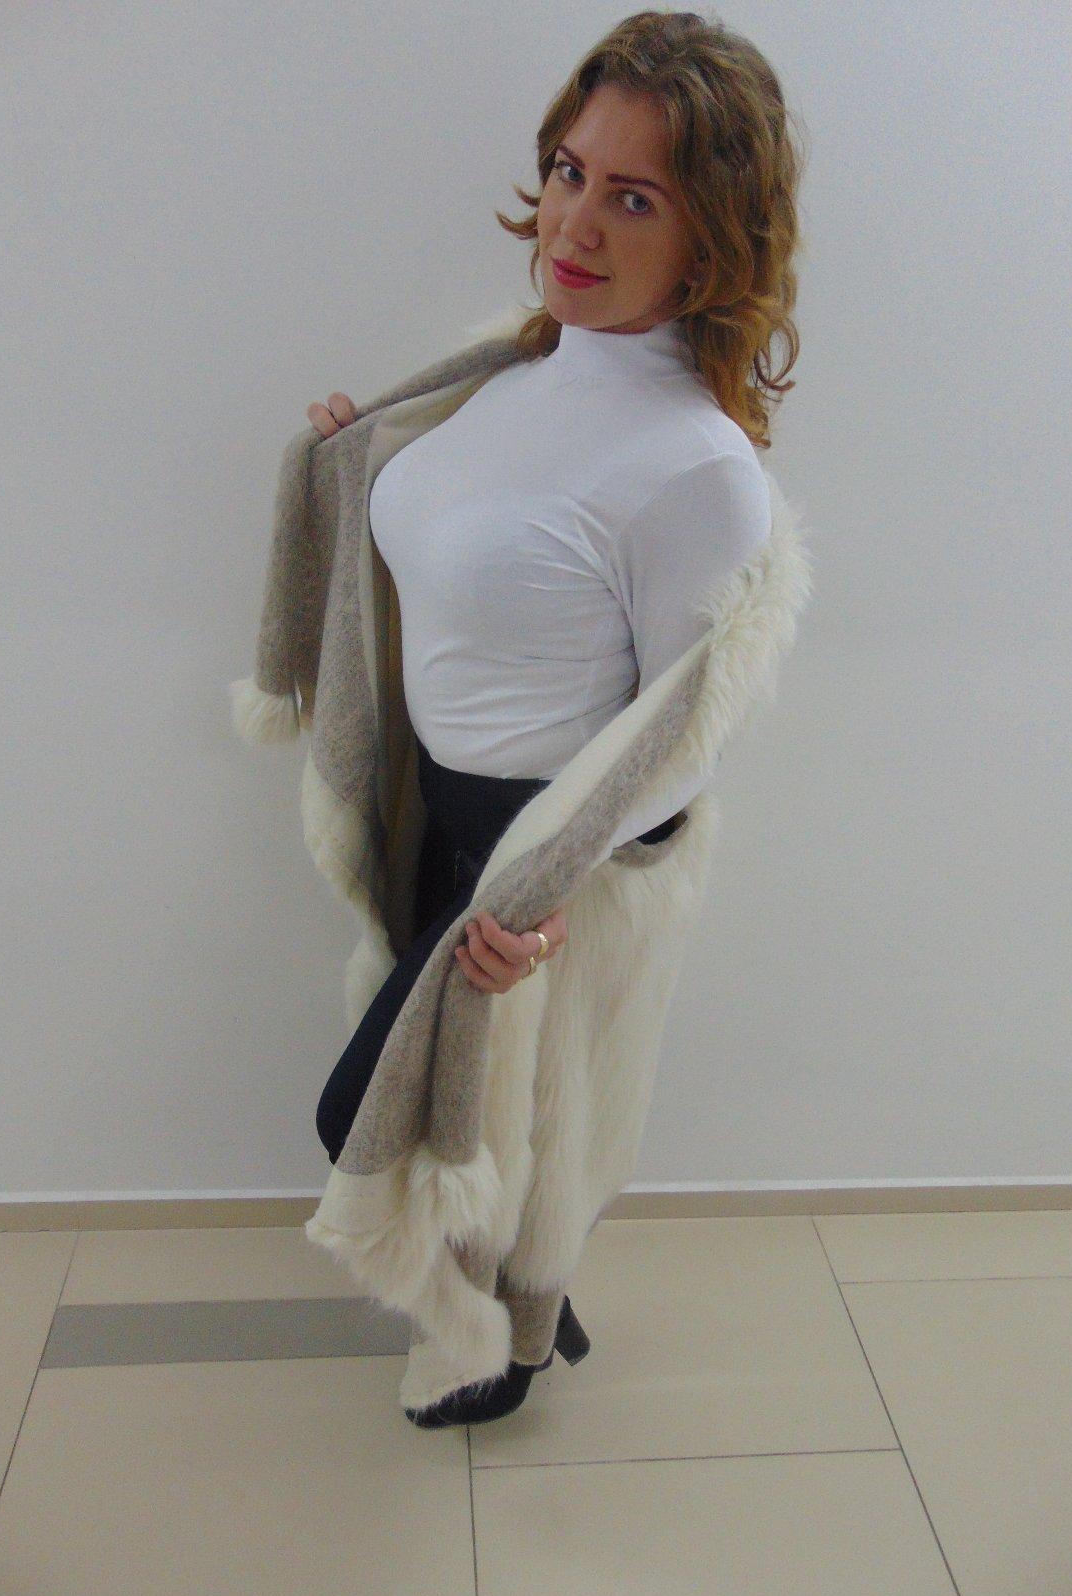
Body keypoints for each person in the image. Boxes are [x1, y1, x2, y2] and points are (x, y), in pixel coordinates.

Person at [305, 10, 805, 1422]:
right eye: (572, 172)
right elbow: (452, 529)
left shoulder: (696, 468)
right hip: (437, 805)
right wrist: (355, 460)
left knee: (386, 1116)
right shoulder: (514, 369)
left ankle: (498, 1350)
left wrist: (549, 889)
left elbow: (685, 730)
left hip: (537, 854)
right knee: (489, 1127)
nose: (575, 222)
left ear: (712, 238)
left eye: (634, 198)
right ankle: (522, 1308)